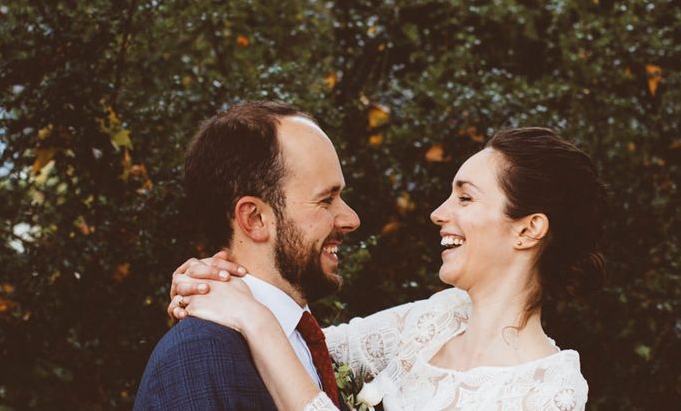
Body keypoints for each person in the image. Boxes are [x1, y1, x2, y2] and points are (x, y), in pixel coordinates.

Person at [169, 126, 608, 411]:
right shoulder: (435, 321)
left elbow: (273, 338)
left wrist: (254, 318)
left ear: (529, 229)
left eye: (465, 198)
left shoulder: (548, 390)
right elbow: (306, 349)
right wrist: (210, 285)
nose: (438, 213)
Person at [134, 101, 360, 410]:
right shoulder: (197, 356)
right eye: (326, 200)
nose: (351, 219)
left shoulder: (312, 346)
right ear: (254, 219)